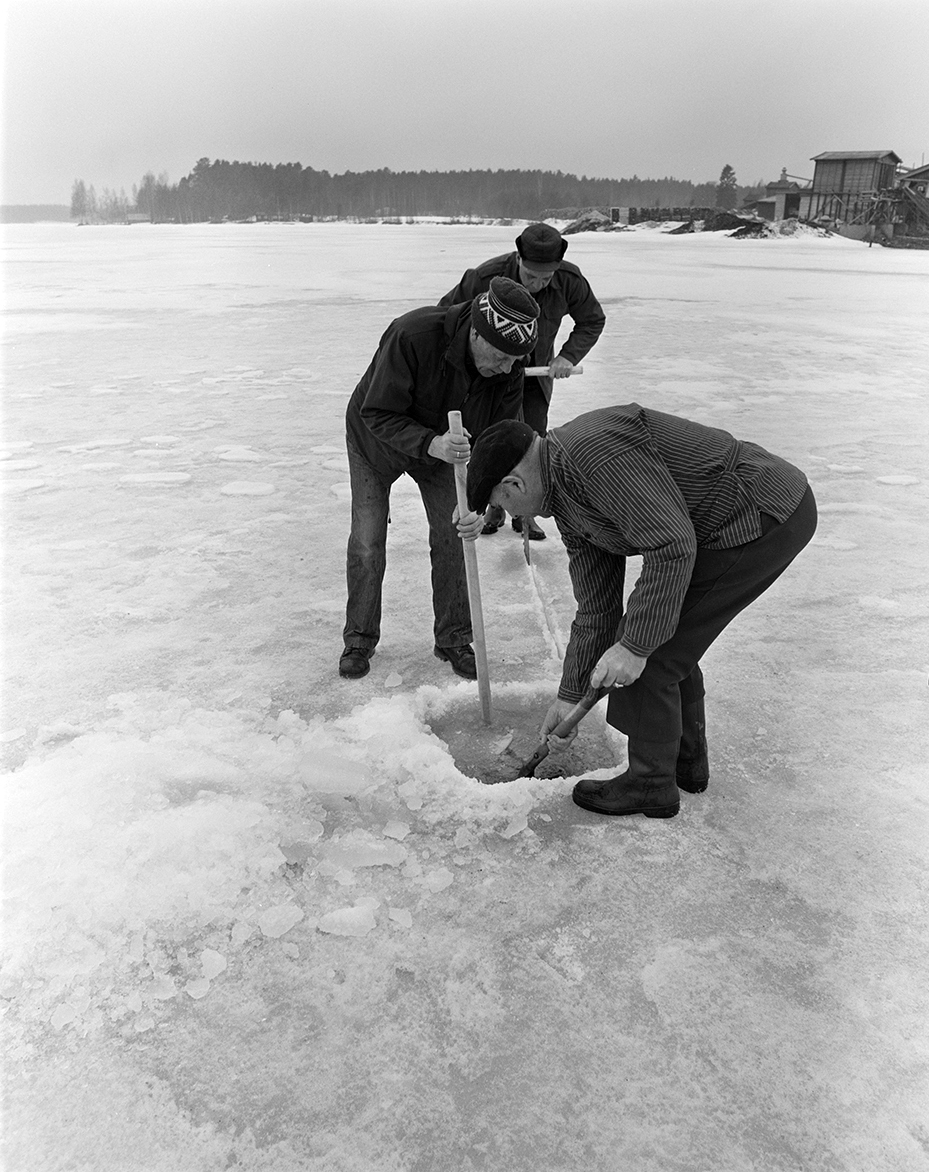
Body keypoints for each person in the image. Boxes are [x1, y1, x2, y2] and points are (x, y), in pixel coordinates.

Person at [460, 404, 817, 818]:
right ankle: (685, 763)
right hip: (722, 524)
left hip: (760, 512)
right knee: (660, 639)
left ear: (514, 483)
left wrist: (634, 647)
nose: (509, 517)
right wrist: (569, 695)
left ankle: (651, 783)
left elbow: (672, 545)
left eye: (499, 505)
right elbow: (597, 608)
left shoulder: (592, 457)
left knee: (653, 650)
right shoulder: (566, 497)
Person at [340, 276, 540, 681]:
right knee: (368, 537)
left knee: (454, 533)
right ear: (478, 335)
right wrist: (430, 443)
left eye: (514, 361)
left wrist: (480, 504)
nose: (508, 367)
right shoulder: (412, 335)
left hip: (447, 452)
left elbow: (496, 439)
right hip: (375, 442)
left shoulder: (508, 369)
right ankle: (359, 639)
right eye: (502, 356)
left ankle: (452, 637)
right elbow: (376, 412)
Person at [439, 222, 605, 541]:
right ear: (518, 258)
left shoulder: (570, 280)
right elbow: (447, 316)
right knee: (490, 438)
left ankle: (525, 512)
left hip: (535, 377)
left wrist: (567, 357)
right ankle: (494, 506)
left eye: (546, 278)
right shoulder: (486, 277)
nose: (537, 284)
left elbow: (592, 320)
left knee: (532, 437)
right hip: (490, 376)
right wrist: (471, 359)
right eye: (531, 276)